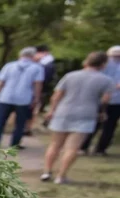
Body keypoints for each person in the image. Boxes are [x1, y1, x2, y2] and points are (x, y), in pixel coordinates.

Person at [42, 52, 113, 183]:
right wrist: (102, 112)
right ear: (103, 64)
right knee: (72, 148)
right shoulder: (106, 80)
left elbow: (56, 96)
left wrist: (51, 110)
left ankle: (47, 172)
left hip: (63, 111)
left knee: (55, 145)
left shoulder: (70, 76)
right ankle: (61, 175)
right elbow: (105, 100)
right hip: (86, 114)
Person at [0, 47, 45, 148]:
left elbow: (0, 82)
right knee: (20, 123)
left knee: (0, 121)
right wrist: (36, 98)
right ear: (33, 56)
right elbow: (37, 84)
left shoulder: (9, 66)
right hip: (24, 98)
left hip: (5, 96)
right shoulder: (37, 68)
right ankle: (15, 144)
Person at [81, 46, 120, 156]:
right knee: (97, 124)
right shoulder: (104, 65)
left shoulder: (105, 65)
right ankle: (86, 146)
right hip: (103, 98)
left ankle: (99, 148)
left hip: (115, 100)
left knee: (108, 126)